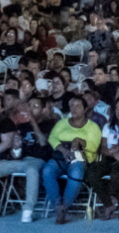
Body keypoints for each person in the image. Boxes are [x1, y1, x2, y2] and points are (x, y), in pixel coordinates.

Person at [0, 94, 54, 222]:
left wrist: (33, 122)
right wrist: (16, 147)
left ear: (43, 110)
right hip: (20, 160)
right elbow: (15, 154)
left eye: (35, 106)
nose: (31, 108)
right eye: (29, 105)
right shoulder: (22, 126)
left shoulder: (49, 124)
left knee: (31, 170)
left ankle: (28, 209)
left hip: (37, 160)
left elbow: (43, 142)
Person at [42, 95, 102, 224]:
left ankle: (64, 208)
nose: (74, 109)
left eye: (78, 106)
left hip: (82, 159)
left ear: (85, 109)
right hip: (62, 156)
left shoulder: (93, 127)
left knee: (76, 172)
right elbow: (52, 138)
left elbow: (94, 147)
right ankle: (57, 205)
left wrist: (80, 141)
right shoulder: (62, 123)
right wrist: (63, 150)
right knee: (47, 171)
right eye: (72, 106)